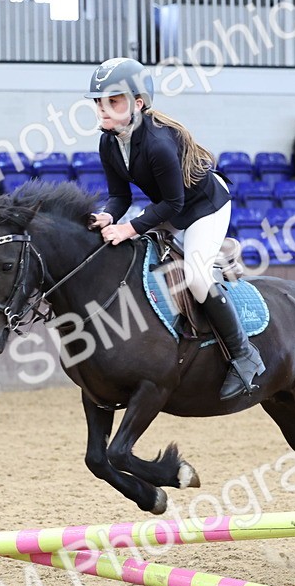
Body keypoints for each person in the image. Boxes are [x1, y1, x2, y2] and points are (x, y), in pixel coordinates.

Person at [85, 57, 265, 400]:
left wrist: (129, 229)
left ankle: (244, 355)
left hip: (204, 207)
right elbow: (118, 196)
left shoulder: (157, 142)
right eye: (98, 102)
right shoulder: (108, 142)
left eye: (113, 101)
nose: (103, 109)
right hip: (173, 205)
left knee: (196, 276)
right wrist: (109, 217)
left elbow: (174, 205)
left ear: (138, 104)